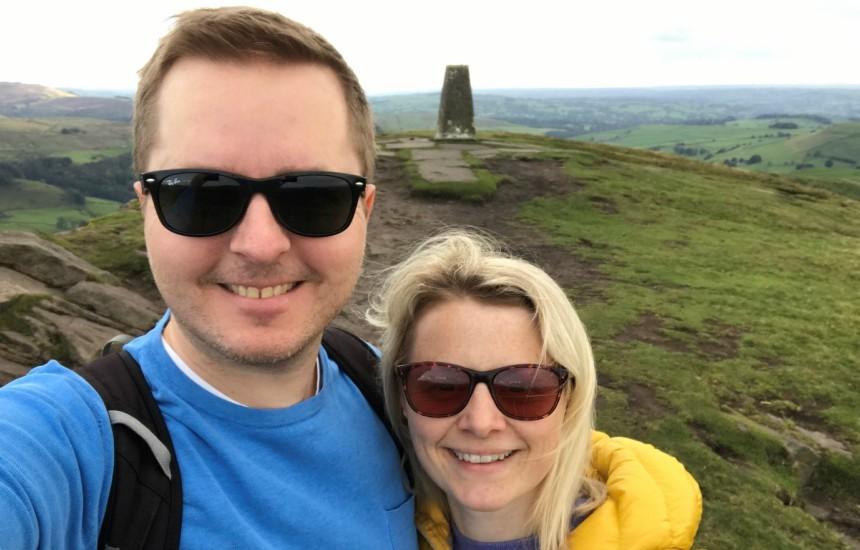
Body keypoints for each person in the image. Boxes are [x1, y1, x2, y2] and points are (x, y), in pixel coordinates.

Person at [0, 7, 416, 549]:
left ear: (365, 209)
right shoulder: (63, 442)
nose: (261, 245)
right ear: (146, 208)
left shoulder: (395, 396)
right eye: (200, 195)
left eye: (315, 196)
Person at [367, 230, 702, 550]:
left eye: (524, 389)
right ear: (402, 398)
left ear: (570, 400)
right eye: (441, 386)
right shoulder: (373, 529)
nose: (481, 423)